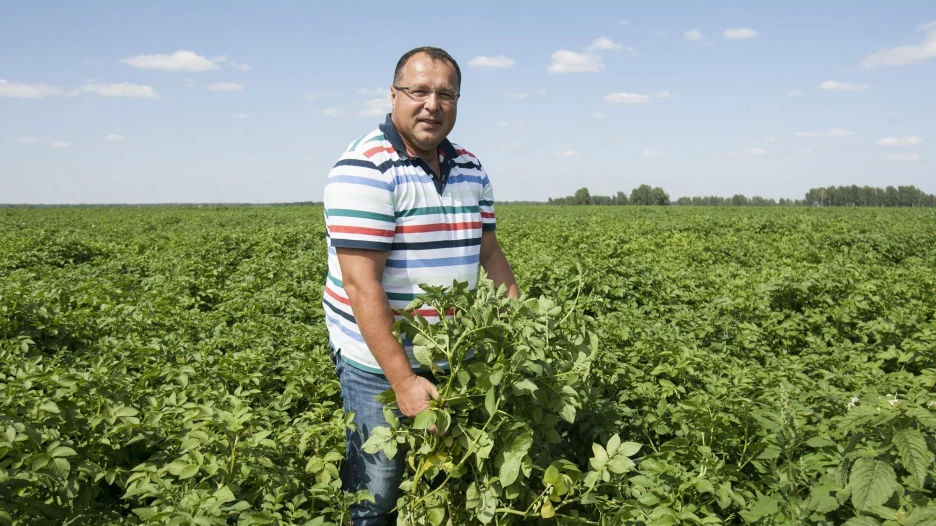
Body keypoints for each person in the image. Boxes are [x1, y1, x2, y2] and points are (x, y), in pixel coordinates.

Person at [322, 46, 520, 524]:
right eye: (419, 91)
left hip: (456, 353)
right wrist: (404, 380)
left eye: (446, 94)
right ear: (393, 96)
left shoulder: (471, 167)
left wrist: (520, 324)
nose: (433, 104)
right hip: (380, 363)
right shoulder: (366, 167)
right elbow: (361, 284)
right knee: (378, 490)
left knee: (447, 476)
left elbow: (488, 252)